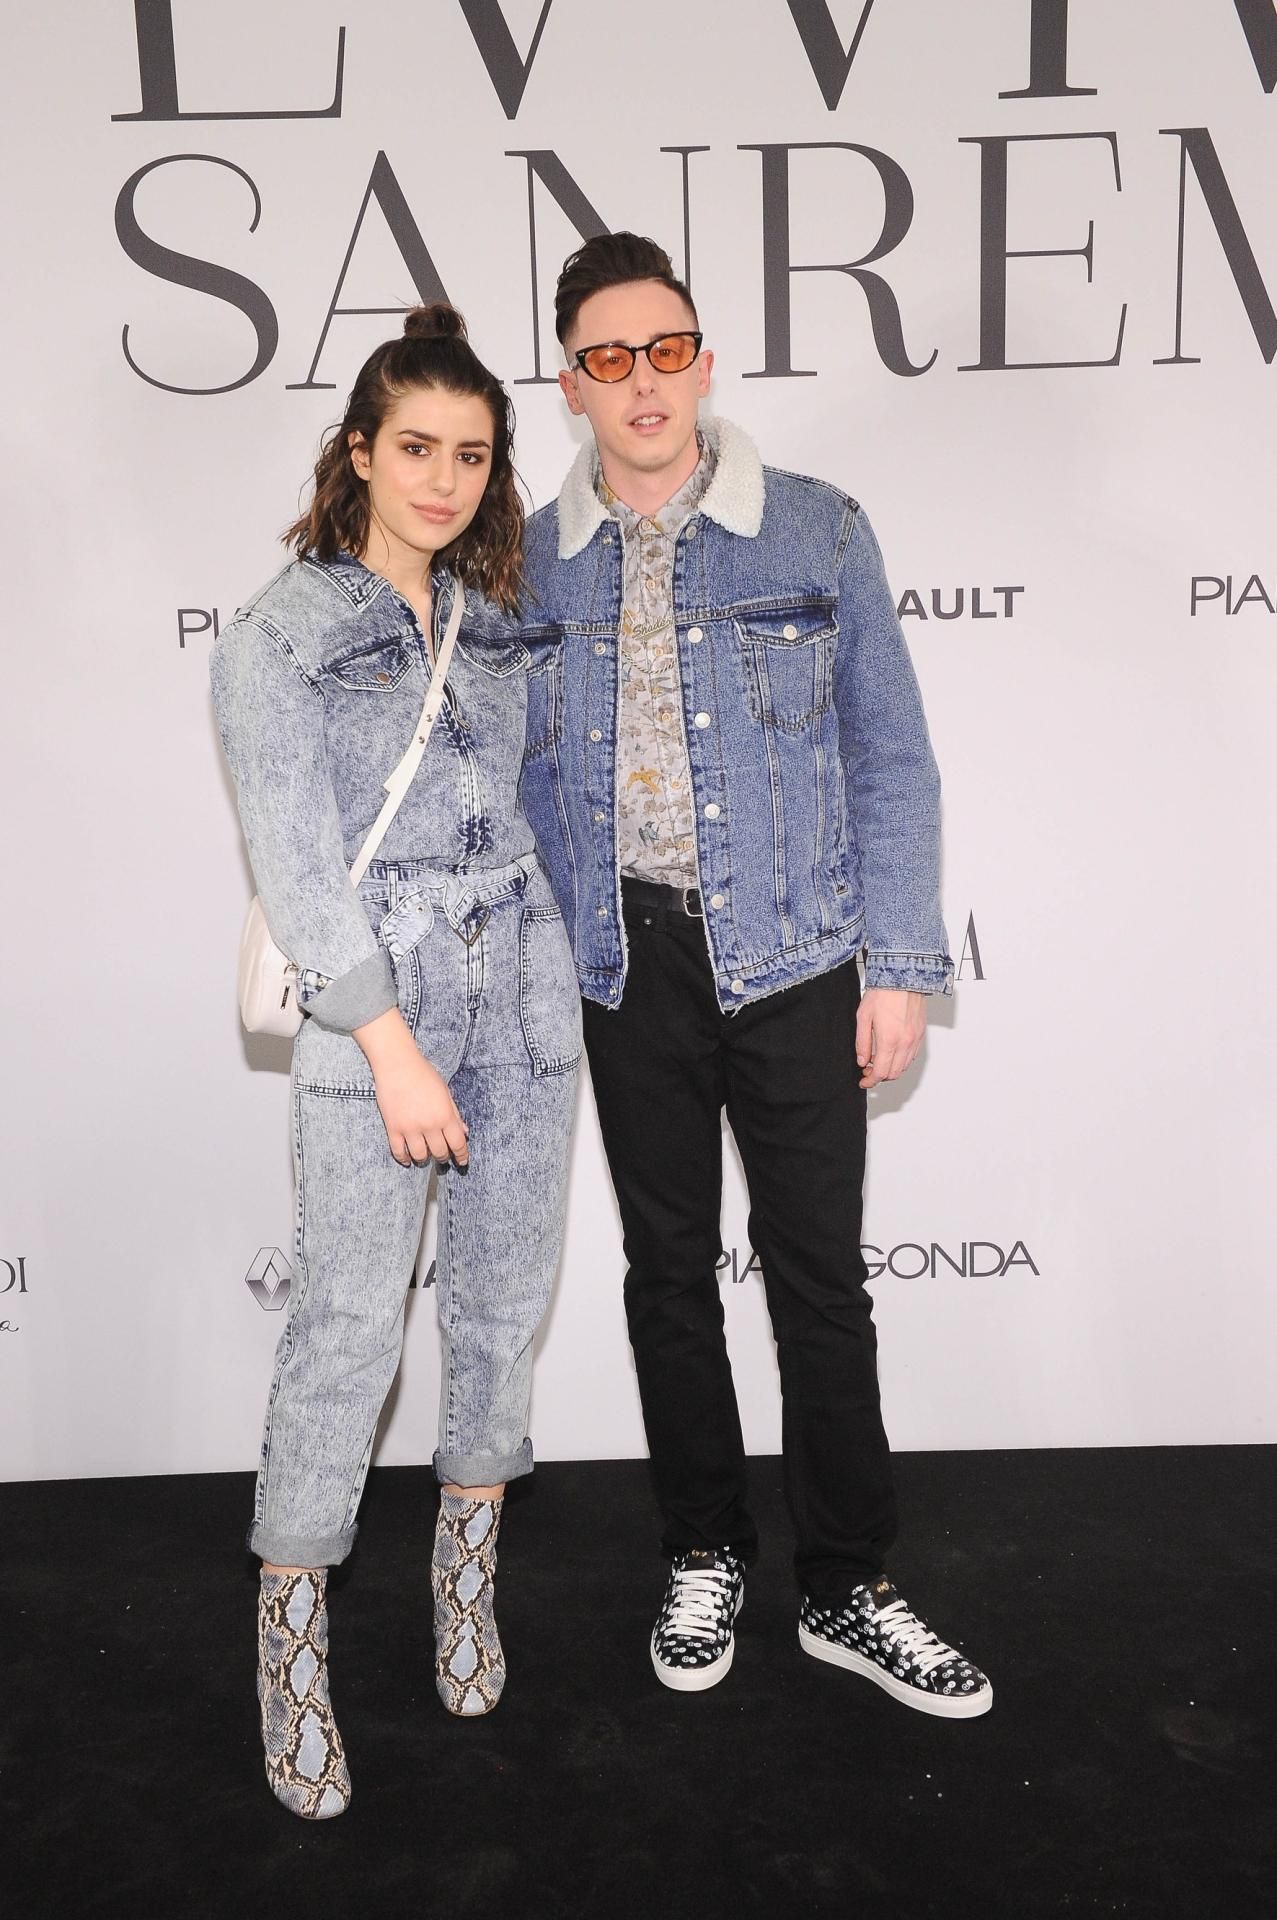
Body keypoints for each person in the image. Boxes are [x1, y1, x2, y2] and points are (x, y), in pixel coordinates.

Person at [519, 234, 990, 1718]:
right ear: (571, 384)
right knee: (668, 1278)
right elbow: (512, 782)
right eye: (608, 358)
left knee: (818, 1282)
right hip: (624, 967)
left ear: (704, 361)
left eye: (665, 350)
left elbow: (892, 757)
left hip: (798, 952)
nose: (643, 382)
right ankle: (703, 1551)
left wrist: (897, 964)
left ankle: (847, 1583)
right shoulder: (527, 560)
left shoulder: (816, 528)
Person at [211, 306, 581, 1819]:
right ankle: (290, 1658)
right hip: (382, 1006)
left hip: (528, 992)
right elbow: (300, 872)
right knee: (349, 1329)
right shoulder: (276, 636)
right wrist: (392, 1051)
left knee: (499, 1311)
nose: (441, 480)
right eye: (414, 448)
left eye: (470, 456)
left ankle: (465, 1589)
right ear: (357, 452)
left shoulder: (497, 618)